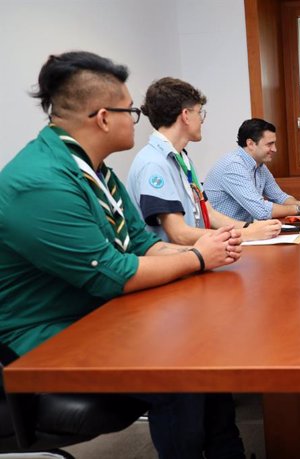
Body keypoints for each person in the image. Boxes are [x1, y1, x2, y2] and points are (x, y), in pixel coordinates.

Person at [0, 51, 246, 459]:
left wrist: (210, 249)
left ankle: (226, 452)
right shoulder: (40, 182)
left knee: (207, 349)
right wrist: (197, 258)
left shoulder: (95, 170)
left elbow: (142, 243)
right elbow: (113, 274)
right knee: (180, 376)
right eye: (129, 111)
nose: (136, 118)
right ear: (102, 117)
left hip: (101, 315)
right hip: (47, 338)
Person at [127, 78, 281, 244]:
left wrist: (248, 228)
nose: (202, 119)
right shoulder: (154, 163)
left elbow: (210, 214)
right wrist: (246, 235)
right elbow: (179, 234)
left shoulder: (182, 159)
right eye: (199, 112)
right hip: (172, 263)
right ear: (186, 115)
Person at [204, 118, 300, 221]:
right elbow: (261, 211)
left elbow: (279, 197)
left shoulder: (259, 166)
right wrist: (299, 208)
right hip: (220, 236)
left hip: (241, 232)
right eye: (270, 144)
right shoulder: (233, 166)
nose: (275, 149)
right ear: (250, 144)